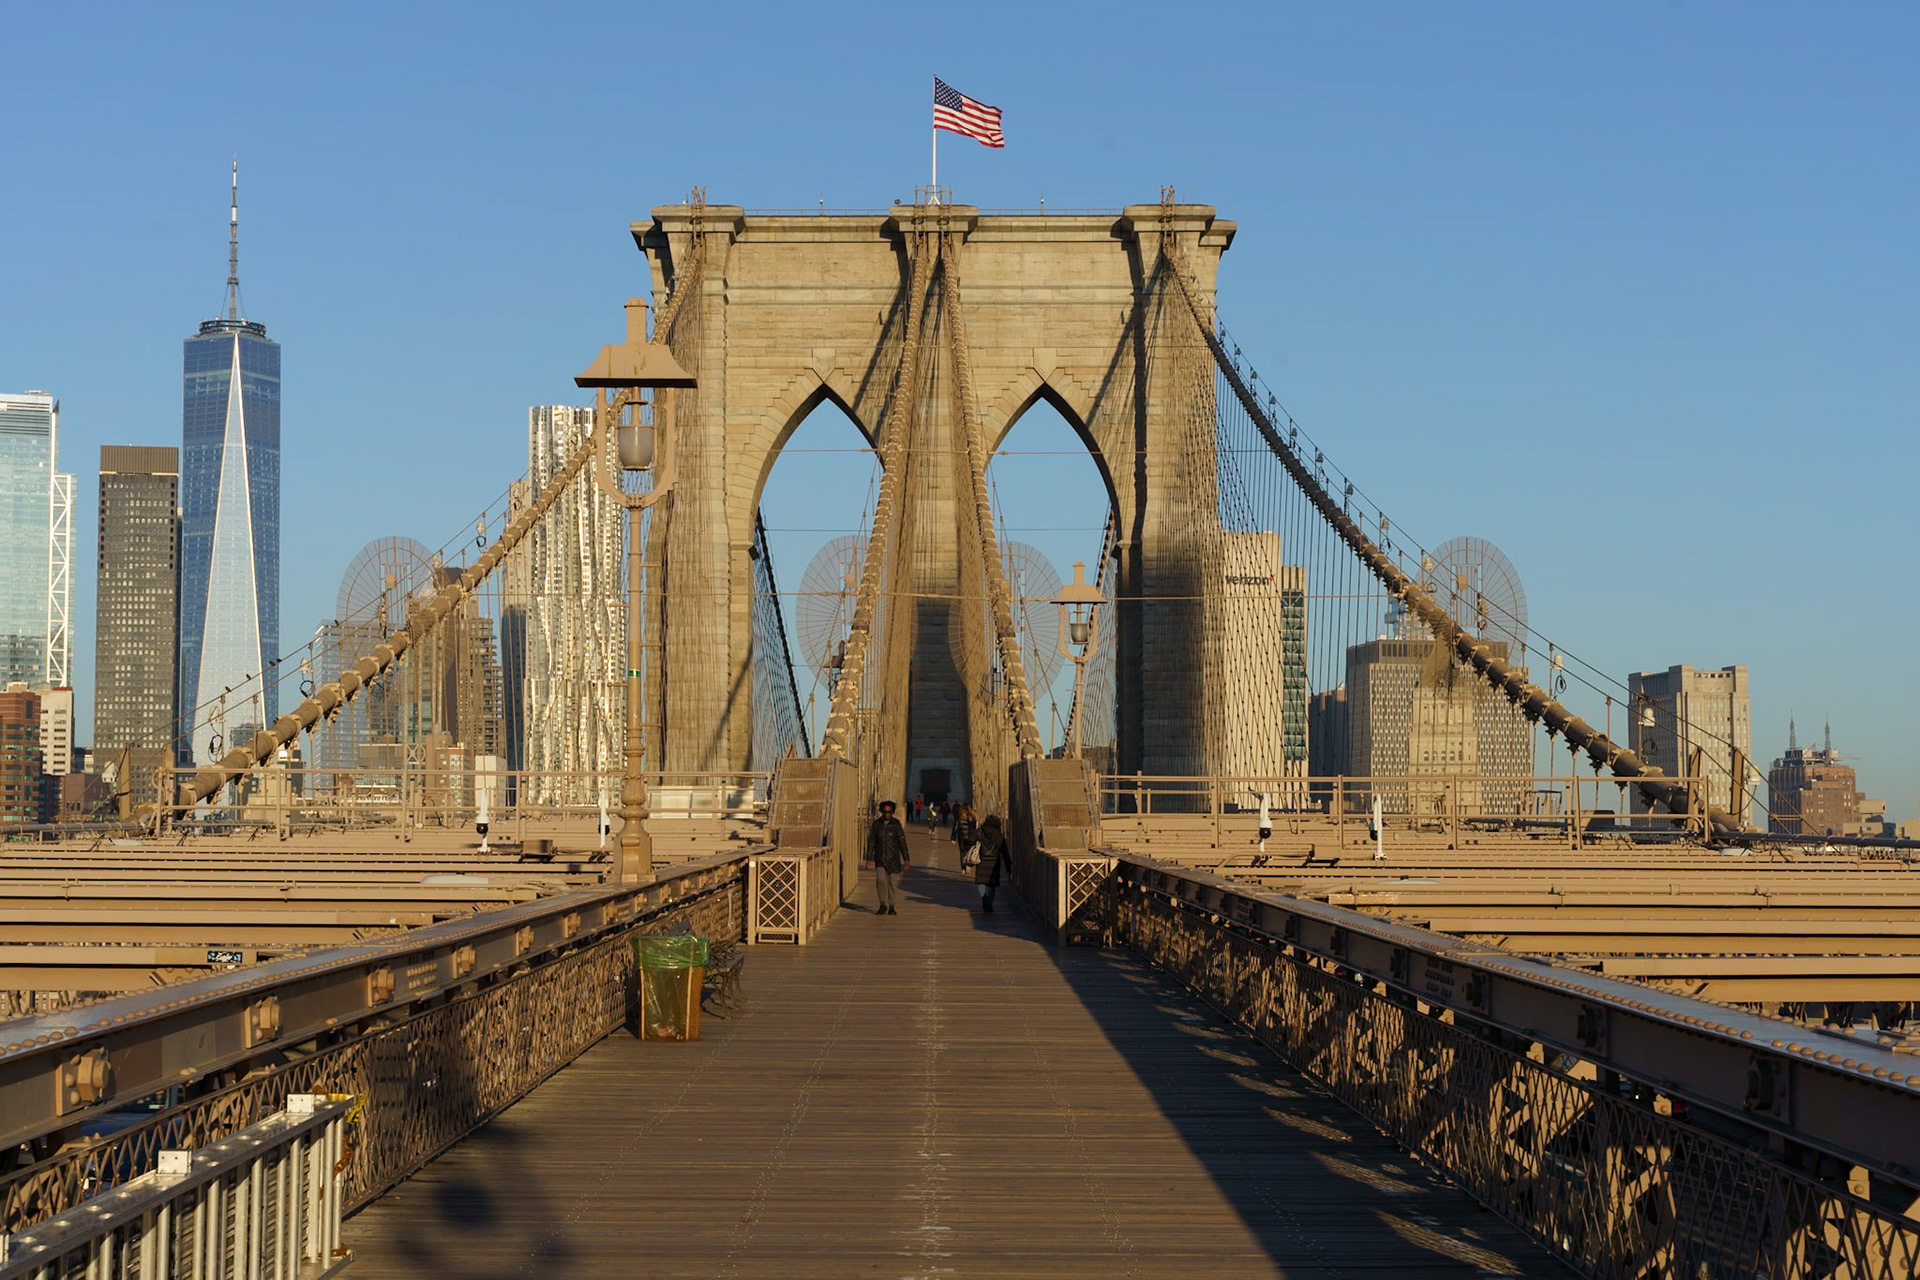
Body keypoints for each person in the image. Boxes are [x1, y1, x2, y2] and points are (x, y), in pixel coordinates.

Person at [867, 800, 910, 915]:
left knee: (892, 882)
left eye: (889, 812)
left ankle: (891, 906)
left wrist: (906, 858)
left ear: (893, 812)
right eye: (885, 812)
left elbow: (902, 841)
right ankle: (882, 904)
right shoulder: (876, 824)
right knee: (880, 880)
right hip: (880, 857)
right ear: (881, 812)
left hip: (893, 858)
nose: (887, 814)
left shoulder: (896, 824)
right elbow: (872, 841)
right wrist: (869, 858)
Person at [972, 814, 1008, 913]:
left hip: (982, 861)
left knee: (981, 881)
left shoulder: (980, 833)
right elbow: (1004, 852)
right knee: (992, 884)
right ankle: (989, 902)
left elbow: (970, 839)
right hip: (994, 863)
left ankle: (984, 897)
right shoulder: (999, 836)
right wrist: (1008, 864)